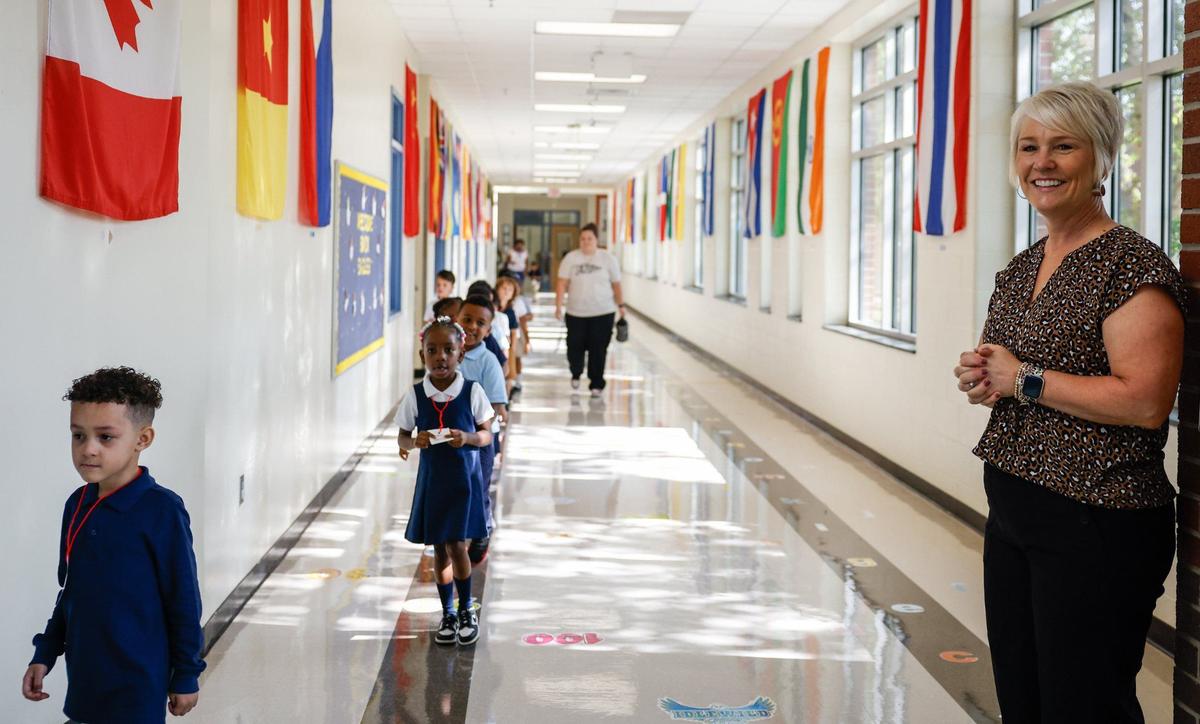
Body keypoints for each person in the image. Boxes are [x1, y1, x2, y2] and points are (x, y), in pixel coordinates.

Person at [953, 81, 1184, 723]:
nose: (1042, 163)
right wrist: (984, 377)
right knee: (1024, 701)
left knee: (1084, 707)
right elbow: (1010, 376)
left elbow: (1144, 401)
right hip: (1015, 507)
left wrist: (1023, 377)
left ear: (1101, 158)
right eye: (1029, 147)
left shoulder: (1130, 267)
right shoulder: (1022, 268)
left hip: (1097, 519)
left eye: (1064, 146)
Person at [24, 367, 205, 723]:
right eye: (78, 436)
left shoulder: (161, 510)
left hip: (137, 684)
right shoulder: (77, 504)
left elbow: (183, 599)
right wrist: (45, 652)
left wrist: (186, 673)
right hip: (86, 681)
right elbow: (72, 589)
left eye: (105, 437)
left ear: (143, 438)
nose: (87, 449)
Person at [398, 318, 494, 646]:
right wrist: (415, 442)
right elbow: (402, 437)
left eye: (448, 350)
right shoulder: (416, 395)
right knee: (439, 548)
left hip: (463, 483)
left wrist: (466, 436)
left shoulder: (471, 391)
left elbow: (486, 435)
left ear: (461, 353)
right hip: (433, 482)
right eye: (432, 350)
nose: (441, 357)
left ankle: (466, 608)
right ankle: (447, 612)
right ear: (422, 354)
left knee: (457, 545)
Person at [456, 295, 509, 566]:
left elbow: (497, 402)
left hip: (481, 437)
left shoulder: (487, 361)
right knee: (453, 485)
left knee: (478, 485)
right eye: (467, 319)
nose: (472, 326)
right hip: (451, 437)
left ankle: (481, 530)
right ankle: (454, 529)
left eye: (480, 323)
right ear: (457, 319)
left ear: (489, 330)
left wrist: (490, 422)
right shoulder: (448, 352)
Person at [555, 223, 625, 398]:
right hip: (575, 312)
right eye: (583, 239)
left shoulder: (608, 259)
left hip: (603, 312)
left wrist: (621, 305)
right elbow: (561, 283)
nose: (586, 242)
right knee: (574, 346)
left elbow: (616, 284)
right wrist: (558, 306)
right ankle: (576, 372)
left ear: (596, 240)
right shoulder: (571, 258)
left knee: (599, 348)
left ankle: (597, 383)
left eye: (590, 238)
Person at [495, 275, 524, 397]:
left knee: (508, 372)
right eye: (504, 288)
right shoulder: (493, 308)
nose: (506, 292)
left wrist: (512, 349)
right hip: (494, 344)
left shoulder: (510, 312)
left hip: (507, 347)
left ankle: (507, 395)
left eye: (510, 290)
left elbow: (514, 332)